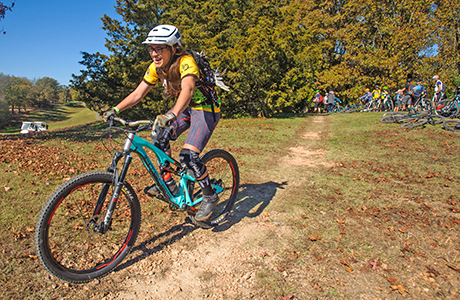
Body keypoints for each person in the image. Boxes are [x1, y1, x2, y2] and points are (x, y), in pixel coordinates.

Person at [104, 24, 221, 222]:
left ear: (174, 48)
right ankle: (169, 185)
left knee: (189, 156)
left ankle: (209, 195)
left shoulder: (186, 62)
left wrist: (173, 114)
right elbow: (138, 93)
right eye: (151, 48)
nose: (154, 53)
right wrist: (115, 110)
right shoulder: (155, 68)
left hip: (204, 109)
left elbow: (188, 90)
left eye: (160, 48)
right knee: (159, 135)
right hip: (183, 109)